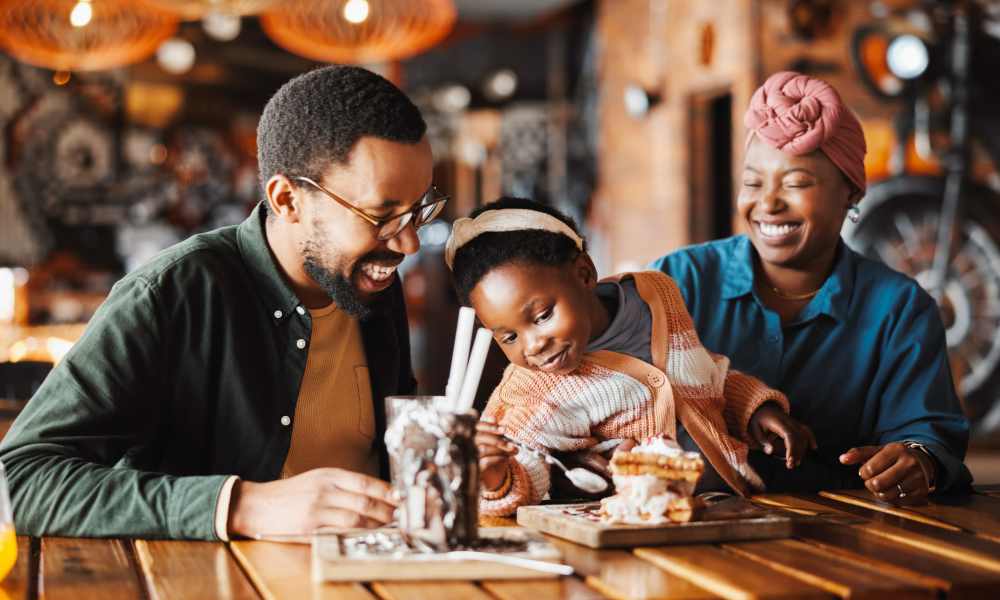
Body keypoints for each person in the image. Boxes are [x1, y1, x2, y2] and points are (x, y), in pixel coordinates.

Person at [0, 65, 448, 539]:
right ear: (288, 200)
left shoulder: (372, 287)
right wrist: (241, 506)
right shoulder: (173, 293)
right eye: (381, 216)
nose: (408, 245)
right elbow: (20, 479)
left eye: (418, 210)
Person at [652, 71, 972, 504]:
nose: (767, 203)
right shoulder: (678, 281)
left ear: (850, 193)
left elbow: (928, 436)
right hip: (688, 526)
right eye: (752, 182)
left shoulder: (899, 309)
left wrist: (916, 462)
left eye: (797, 183)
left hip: (842, 538)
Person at [446, 197, 816, 516]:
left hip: (738, 504)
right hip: (634, 532)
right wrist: (496, 479)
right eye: (508, 336)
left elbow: (702, 375)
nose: (532, 345)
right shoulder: (535, 388)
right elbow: (526, 464)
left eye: (542, 317)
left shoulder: (656, 296)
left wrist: (755, 409)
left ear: (584, 273)